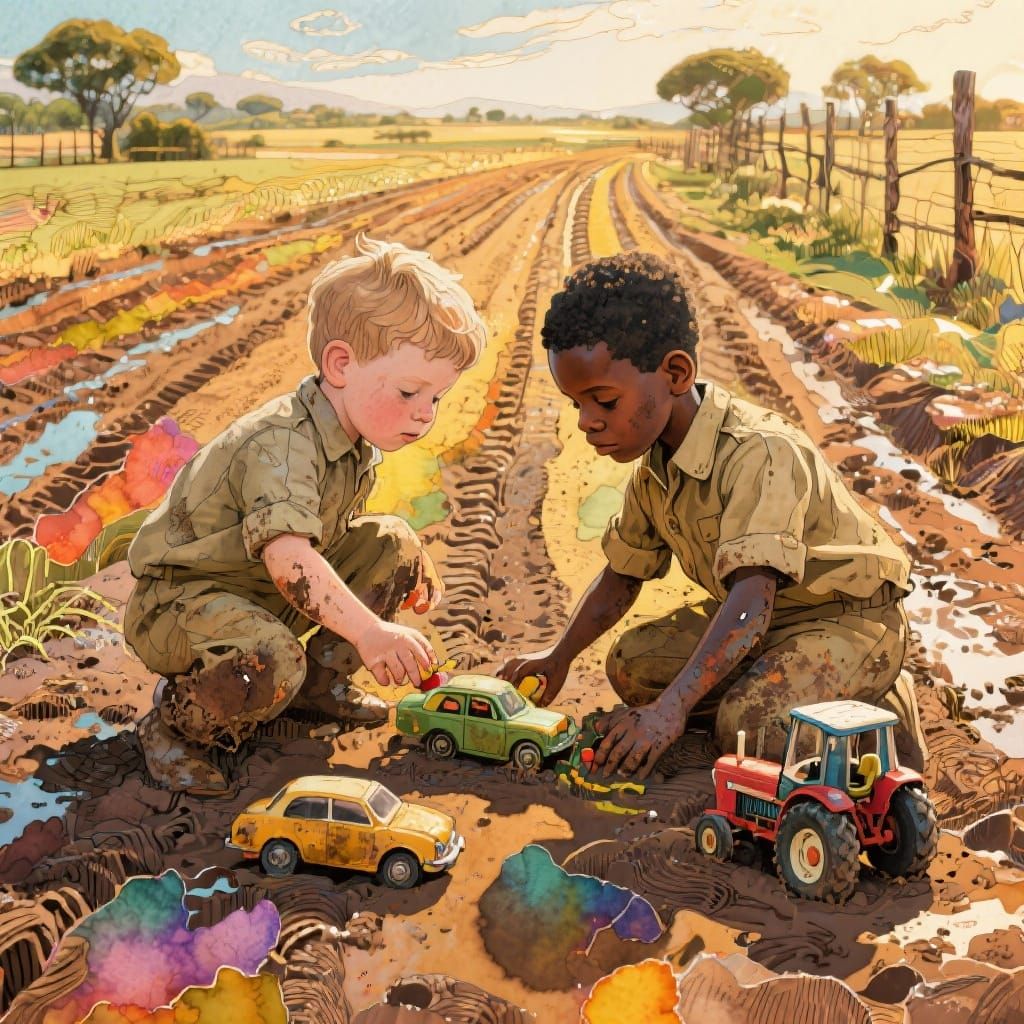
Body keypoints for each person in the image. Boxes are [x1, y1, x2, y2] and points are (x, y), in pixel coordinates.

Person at [500, 252, 926, 780]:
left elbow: (750, 601)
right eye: (577, 406)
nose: (588, 422)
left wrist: (669, 712)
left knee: (750, 728)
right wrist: (558, 656)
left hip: (846, 618)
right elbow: (622, 577)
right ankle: (779, 686)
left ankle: (880, 698)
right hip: (767, 624)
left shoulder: (760, 453)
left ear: (676, 372)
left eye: (605, 402)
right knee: (631, 666)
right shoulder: (655, 468)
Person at [124, 235, 487, 794]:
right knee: (273, 657)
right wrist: (369, 632)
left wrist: (408, 560)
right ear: (341, 364)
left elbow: (327, 545)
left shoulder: (351, 438)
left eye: (435, 399)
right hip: (182, 601)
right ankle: (177, 726)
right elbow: (290, 559)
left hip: (253, 591)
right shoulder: (282, 443)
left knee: (390, 540)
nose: (425, 415)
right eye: (411, 392)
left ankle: (319, 685)